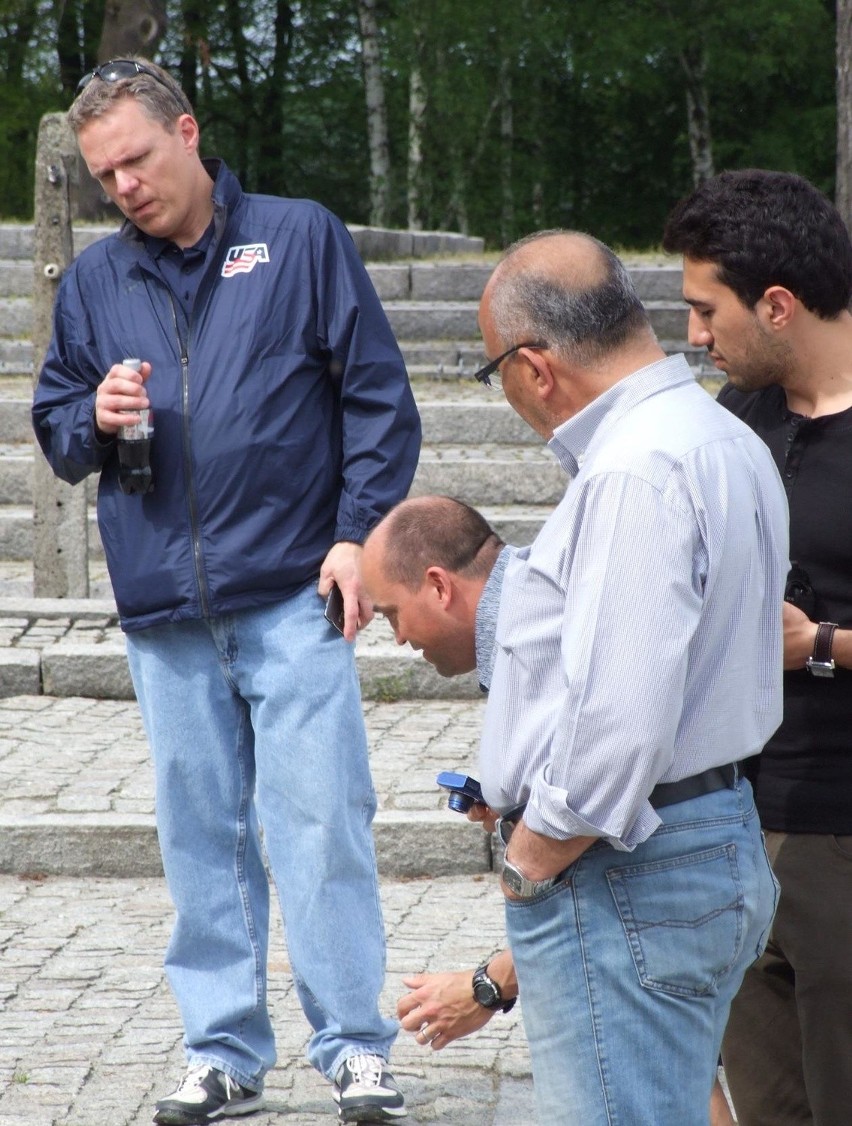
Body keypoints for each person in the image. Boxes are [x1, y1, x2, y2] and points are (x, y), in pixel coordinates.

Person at [32, 57, 420, 1126]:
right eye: (106, 175)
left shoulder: (300, 237)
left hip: (296, 592)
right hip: (166, 610)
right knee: (200, 836)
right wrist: (94, 416)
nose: (125, 189)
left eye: (137, 160)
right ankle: (224, 1051)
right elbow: (57, 427)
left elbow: (380, 405)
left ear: (188, 132)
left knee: (320, 824)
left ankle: (353, 1047)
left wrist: (356, 541)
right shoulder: (101, 281)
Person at [466, 229, 787, 1125]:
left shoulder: (636, 468)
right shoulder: (720, 437)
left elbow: (619, 722)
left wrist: (530, 864)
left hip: (634, 864)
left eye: (496, 372)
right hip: (714, 827)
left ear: (534, 367)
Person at [362, 494, 736, 1126]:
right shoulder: (531, 609)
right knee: (675, 1078)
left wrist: (523, 872)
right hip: (696, 857)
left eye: (394, 614)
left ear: (438, 585)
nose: (397, 638)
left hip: (661, 875)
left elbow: (606, 785)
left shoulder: (544, 620)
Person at [663, 168, 852, 1126]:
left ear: (777, 305)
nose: (695, 337)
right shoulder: (735, 424)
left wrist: (821, 644)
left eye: (706, 311)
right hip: (735, 827)